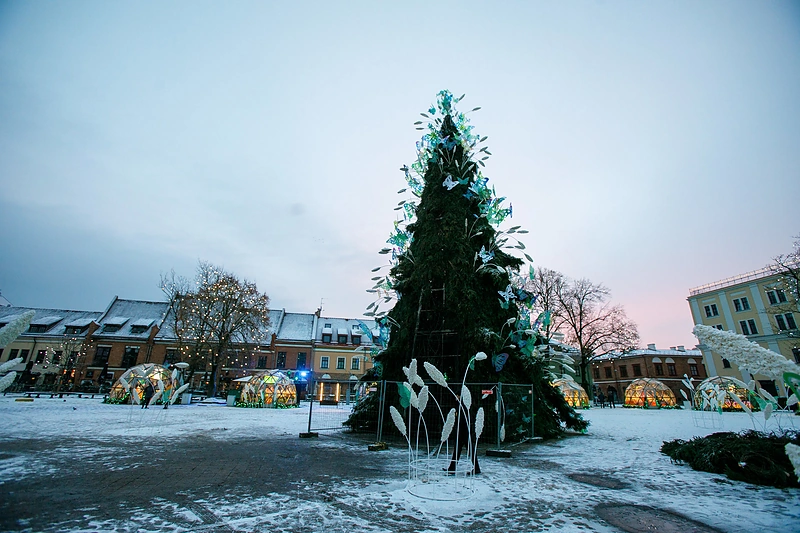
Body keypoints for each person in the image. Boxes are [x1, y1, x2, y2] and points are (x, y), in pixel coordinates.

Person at [447, 405, 480, 475]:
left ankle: (476, 468)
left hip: (464, 432)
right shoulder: (461, 404)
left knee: (469, 450)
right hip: (463, 431)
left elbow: (462, 419)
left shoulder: (463, 405)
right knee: (458, 450)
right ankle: (452, 468)